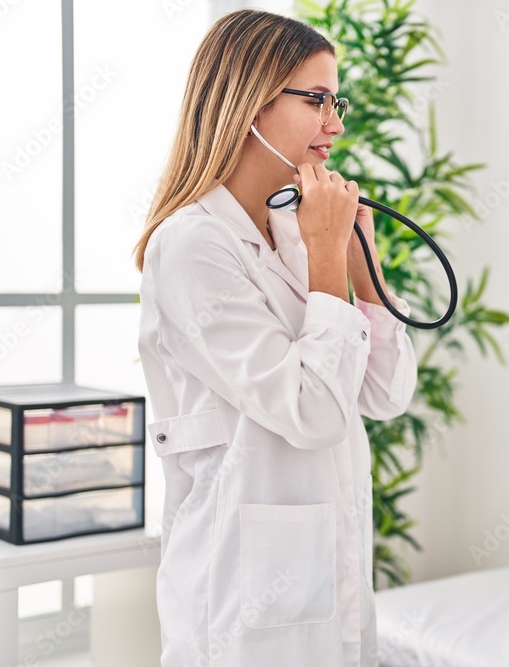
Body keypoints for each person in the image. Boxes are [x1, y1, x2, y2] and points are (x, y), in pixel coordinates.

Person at [134, 10, 417, 666]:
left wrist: (364, 274)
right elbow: (313, 412)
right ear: (247, 102)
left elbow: (385, 394)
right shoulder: (192, 246)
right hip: (237, 598)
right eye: (316, 101)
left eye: (336, 103)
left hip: (330, 577)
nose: (335, 125)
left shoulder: (294, 232)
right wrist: (326, 258)